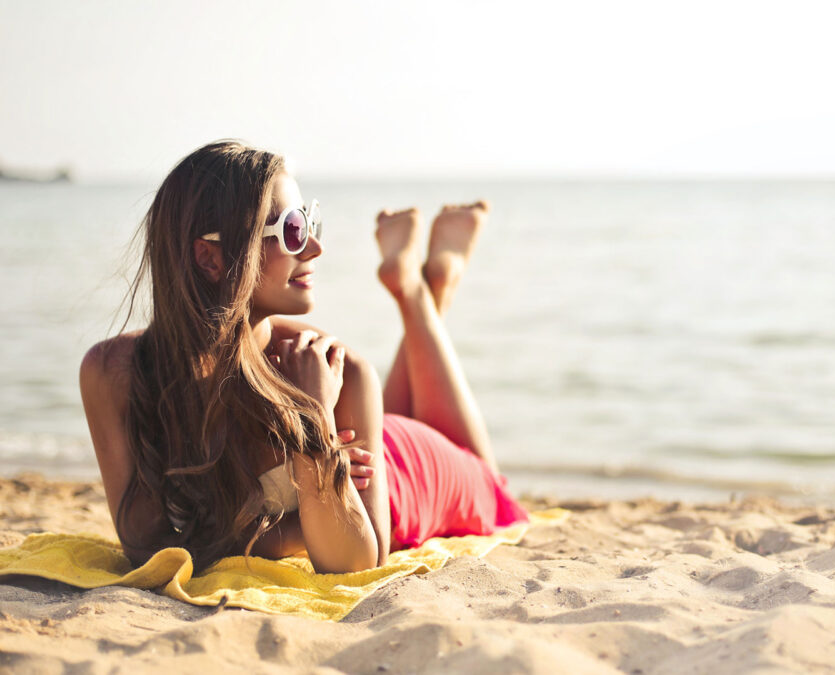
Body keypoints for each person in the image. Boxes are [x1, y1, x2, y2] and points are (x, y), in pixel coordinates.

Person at [79, 141, 527, 574]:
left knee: (492, 486)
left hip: (410, 473)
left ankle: (417, 291)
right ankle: (427, 285)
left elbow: (356, 561)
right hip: (356, 444)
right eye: (293, 230)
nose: (315, 248)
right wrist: (300, 511)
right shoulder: (114, 373)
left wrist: (314, 420)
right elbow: (145, 548)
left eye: (311, 224)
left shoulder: (334, 370)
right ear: (210, 258)